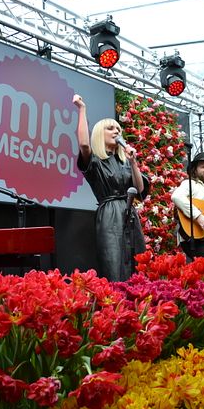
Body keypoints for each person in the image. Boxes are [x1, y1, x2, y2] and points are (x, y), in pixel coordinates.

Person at [73, 94, 150, 282]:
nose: (116, 131)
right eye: (110, 128)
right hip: (109, 214)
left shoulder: (125, 163)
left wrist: (133, 163)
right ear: (100, 133)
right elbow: (84, 144)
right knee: (113, 264)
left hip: (130, 211)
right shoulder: (96, 162)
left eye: (118, 128)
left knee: (136, 262)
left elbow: (140, 191)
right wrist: (82, 109)